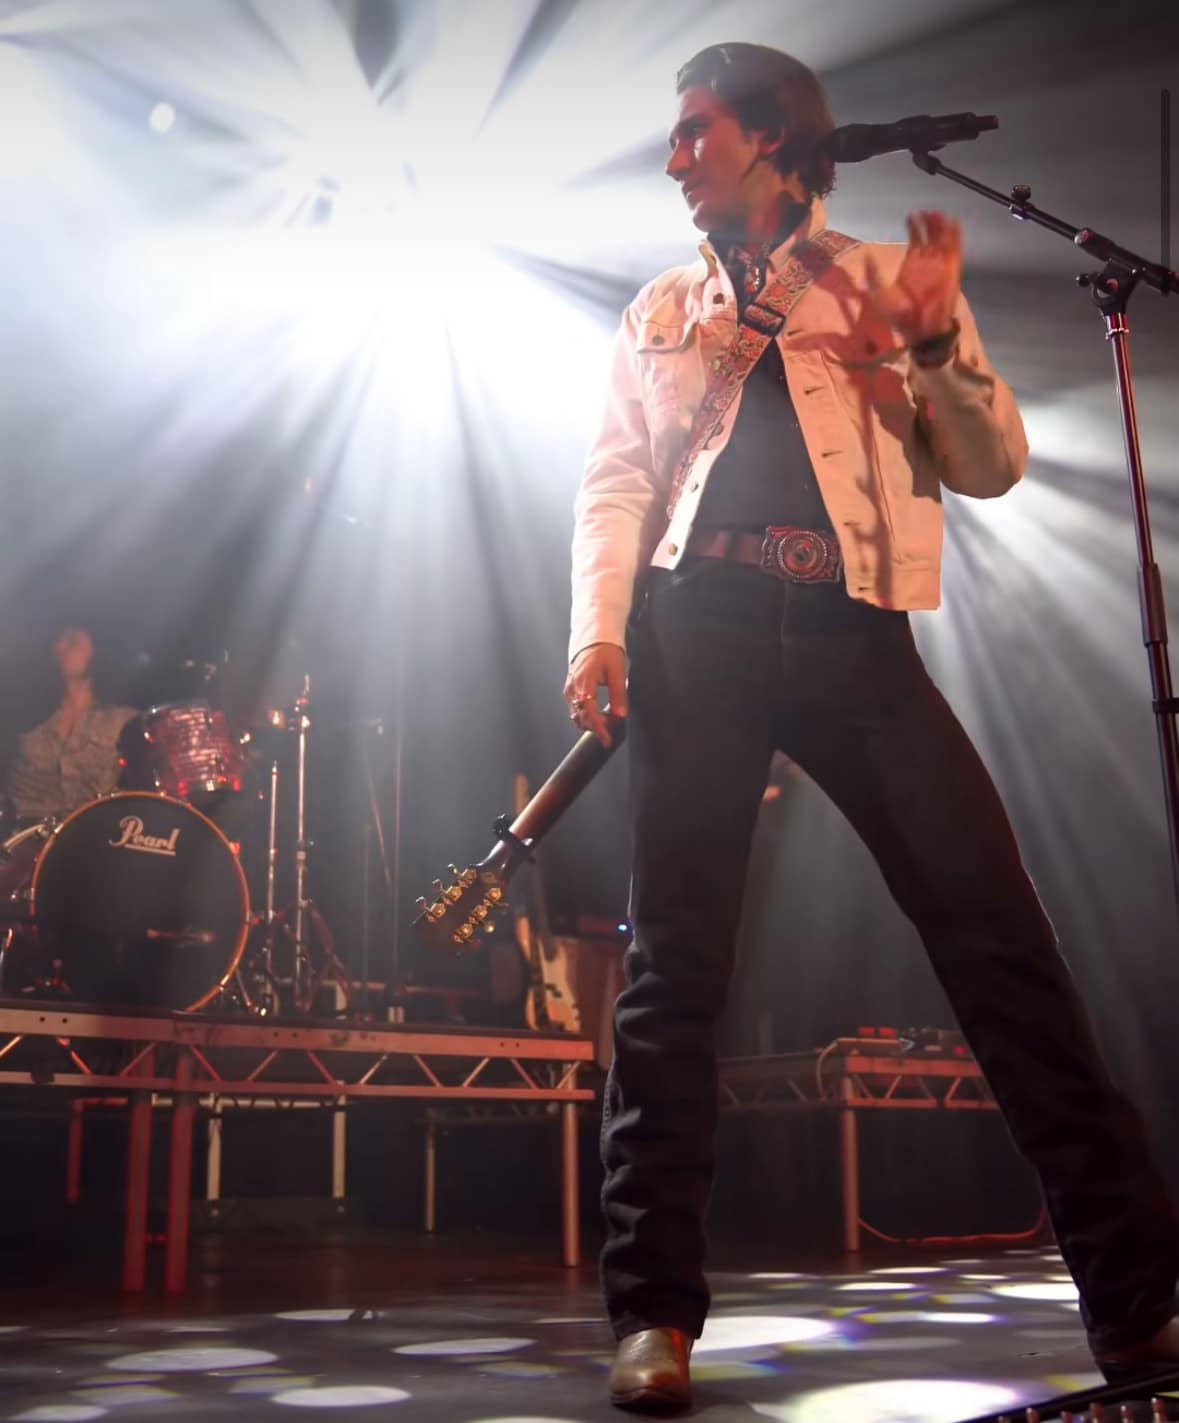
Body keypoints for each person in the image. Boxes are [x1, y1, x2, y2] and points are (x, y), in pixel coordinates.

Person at [564, 42, 1179, 1413]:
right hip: (699, 630)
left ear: (775, 139)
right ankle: (651, 1312)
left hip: (854, 631)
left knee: (1001, 943)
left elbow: (989, 467)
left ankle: (1138, 1298)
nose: (673, 159)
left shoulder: (885, 283)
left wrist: (934, 344)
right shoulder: (663, 307)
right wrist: (595, 631)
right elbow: (615, 480)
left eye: (695, 132)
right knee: (672, 972)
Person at [6, 627, 137, 824]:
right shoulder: (26, 712)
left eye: (72, 642)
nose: (60, 647)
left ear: (98, 651)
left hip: (92, 831)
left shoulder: (122, 720)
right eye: (57, 641)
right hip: (24, 832)